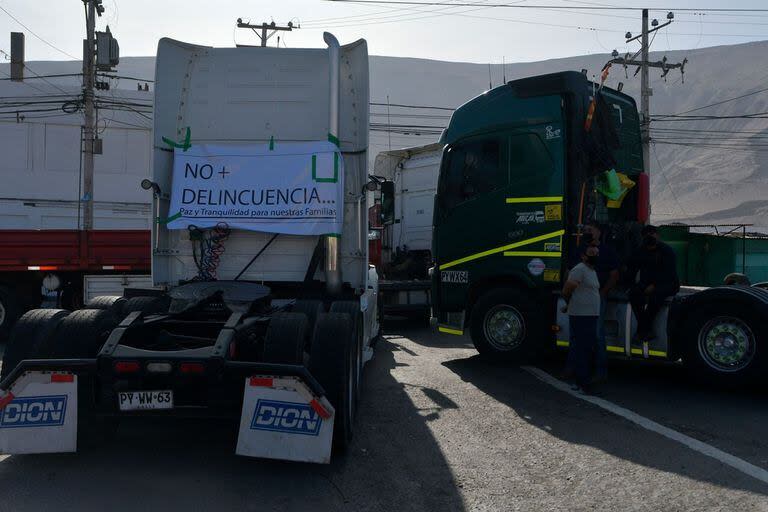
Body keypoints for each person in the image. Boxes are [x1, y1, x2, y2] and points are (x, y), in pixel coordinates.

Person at [572, 221, 619, 381]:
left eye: (590, 230)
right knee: (576, 335)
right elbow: (569, 273)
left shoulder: (607, 252)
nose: (587, 232)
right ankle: (573, 369)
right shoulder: (579, 250)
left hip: (596, 298)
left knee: (597, 335)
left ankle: (600, 371)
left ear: (598, 232)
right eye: (585, 230)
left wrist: (602, 293)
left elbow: (614, 275)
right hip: (579, 298)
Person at [628, 225, 680, 341]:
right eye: (646, 234)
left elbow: (669, 273)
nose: (649, 236)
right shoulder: (640, 251)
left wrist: (654, 285)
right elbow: (632, 267)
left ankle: (642, 329)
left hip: (668, 283)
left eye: (652, 234)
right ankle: (645, 329)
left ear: (657, 235)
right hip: (647, 283)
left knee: (655, 298)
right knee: (634, 294)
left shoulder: (666, 251)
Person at [562, 245, 601, 393]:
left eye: (597, 253)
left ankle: (580, 382)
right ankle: (584, 384)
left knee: (587, 349)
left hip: (590, 315)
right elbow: (567, 290)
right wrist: (569, 303)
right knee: (584, 349)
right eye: (592, 253)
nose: (595, 255)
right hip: (581, 316)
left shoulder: (592, 271)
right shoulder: (579, 269)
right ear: (583, 256)